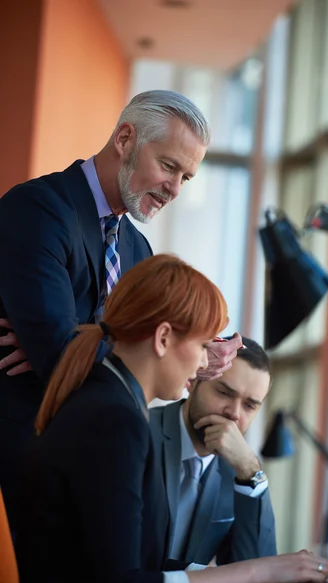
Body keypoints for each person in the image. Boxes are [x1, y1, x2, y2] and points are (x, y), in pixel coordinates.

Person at [16, 254, 328, 583]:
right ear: (163, 338)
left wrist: (258, 573)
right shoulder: (115, 421)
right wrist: (261, 570)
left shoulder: (110, 399)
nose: (202, 364)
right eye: (201, 346)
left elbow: (125, 566)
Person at [0, 89, 241, 529]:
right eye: (169, 166)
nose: (174, 190)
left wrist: (203, 351)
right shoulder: (40, 208)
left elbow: (147, 353)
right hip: (35, 444)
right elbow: (57, 353)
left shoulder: (138, 249)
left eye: (186, 178)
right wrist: (63, 343)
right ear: (125, 139)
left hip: (103, 453)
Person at [150, 337, 277, 566]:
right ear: (195, 380)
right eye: (224, 392)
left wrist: (250, 469)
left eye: (249, 405)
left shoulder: (240, 471)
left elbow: (256, 576)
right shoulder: (142, 432)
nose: (234, 413)